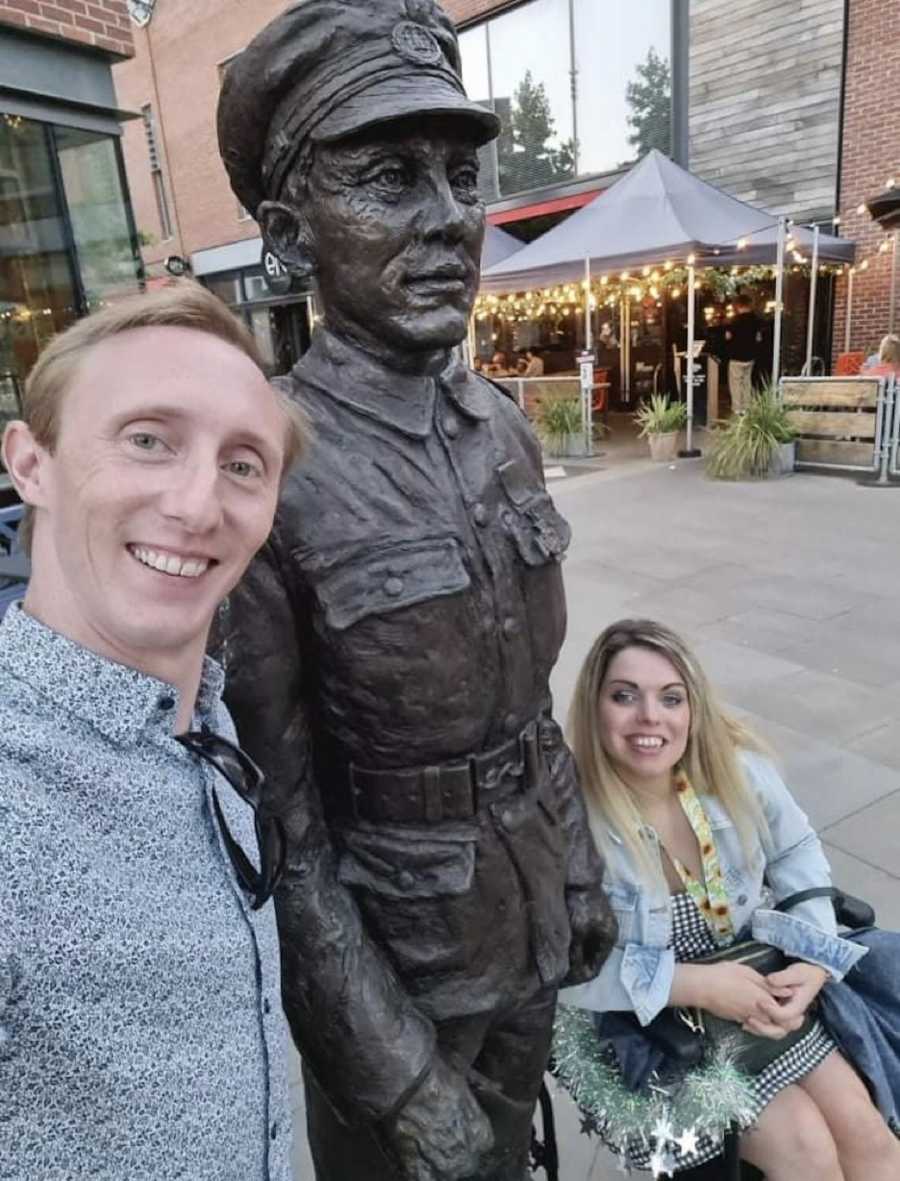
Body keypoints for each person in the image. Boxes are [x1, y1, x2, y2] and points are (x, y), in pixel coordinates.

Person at [214, 3, 616, 1179]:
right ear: (292, 231)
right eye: (389, 179)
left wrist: (579, 867)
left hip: (527, 915)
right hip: (396, 965)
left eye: (460, 175)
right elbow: (280, 826)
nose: (448, 219)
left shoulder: (501, 427)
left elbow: (535, 705)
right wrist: (388, 1068)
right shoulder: (264, 472)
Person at [0, 283, 308, 1181]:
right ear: (32, 464)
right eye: (147, 440)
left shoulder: (203, 721)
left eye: (244, 464)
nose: (197, 504)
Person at [559, 619, 900, 1179]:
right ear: (594, 706)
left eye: (671, 698)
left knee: (868, 1138)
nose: (650, 717)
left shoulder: (735, 772)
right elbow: (562, 969)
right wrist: (693, 985)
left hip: (757, 987)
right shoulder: (570, 820)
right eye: (625, 696)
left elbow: (795, 849)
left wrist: (813, 960)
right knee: (807, 1152)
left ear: (692, 708)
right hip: (655, 1025)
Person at [725, 295, 763, 412]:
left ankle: (737, 409)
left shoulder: (734, 320)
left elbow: (727, 337)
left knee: (736, 383)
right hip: (750, 357)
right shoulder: (756, 320)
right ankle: (747, 407)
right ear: (749, 305)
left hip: (736, 357)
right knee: (747, 382)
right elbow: (759, 338)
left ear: (738, 306)